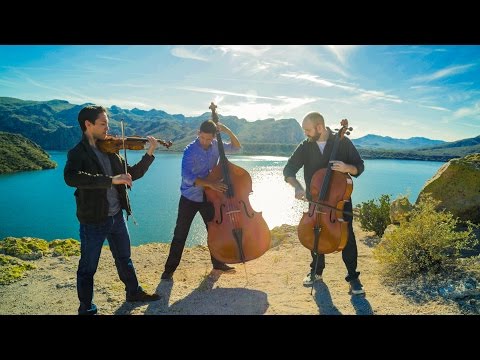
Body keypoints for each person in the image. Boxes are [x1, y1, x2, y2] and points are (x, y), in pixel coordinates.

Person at [64, 105, 161, 315]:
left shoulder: (111, 150)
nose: (108, 127)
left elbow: (131, 174)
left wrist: (150, 153)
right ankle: (87, 308)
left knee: (124, 258)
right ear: (88, 125)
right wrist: (110, 180)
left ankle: (133, 292)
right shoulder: (78, 153)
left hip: (117, 216)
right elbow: (71, 178)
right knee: (88, 268)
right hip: (93, 220)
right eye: (103, 123)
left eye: (107, 122)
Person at [283, 112, 365, 295]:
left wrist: (347, 168)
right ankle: (316, 271)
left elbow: (359, 166)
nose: (305, 134)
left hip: (339, 202)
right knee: (315, 233)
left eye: (308, 130)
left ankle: (353, 277)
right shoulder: (305, 147)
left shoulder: (342, 142)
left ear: (320, 127)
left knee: (348, 238)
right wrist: (297, 187)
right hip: (316, 202)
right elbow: (288, 170)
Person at [161, 119, 242, 280]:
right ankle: (169, 270)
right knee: (180, 234)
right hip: (189, 198)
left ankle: (218, 263)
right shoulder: (189, 151)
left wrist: (226, 130)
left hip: (208, 197)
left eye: (208, 139)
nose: (205, 141)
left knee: (214, 231)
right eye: (202, 137)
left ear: (213, 137)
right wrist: (211, 184)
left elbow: (237, 148)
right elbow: (187, 177)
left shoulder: (216, 146)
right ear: (198, 134)